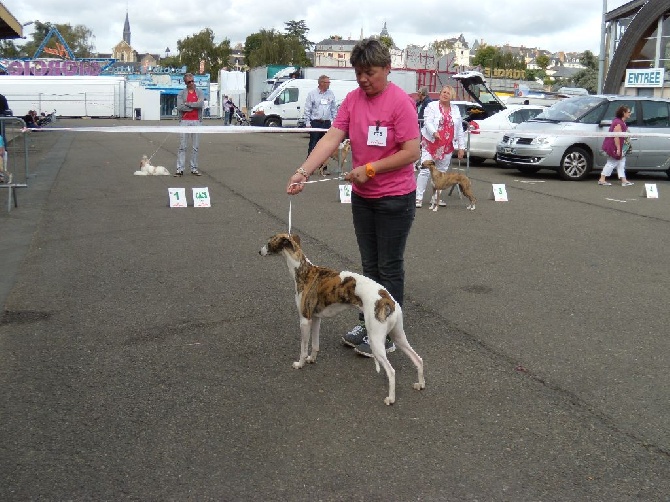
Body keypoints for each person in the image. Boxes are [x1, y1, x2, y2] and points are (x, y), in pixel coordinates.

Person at [286, 38, 420, 357]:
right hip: (363, 198)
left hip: (395, 199)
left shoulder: (400, 103)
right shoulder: (352, 100)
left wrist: (371, 168)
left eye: (369, 72)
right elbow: (332, 137)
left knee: (389, 266)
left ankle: (387, 332)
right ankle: (368, 321)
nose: (363, 79)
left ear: (387, 69)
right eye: (358, 72)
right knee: (369, 266)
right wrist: (303, 171)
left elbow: (412, 152)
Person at [415, 85, 465, 207]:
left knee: (441, 172)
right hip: (431, 143)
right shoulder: (432, 106)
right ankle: (418, 198)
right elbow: (427, 121)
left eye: (448, 93)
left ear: (451, 95)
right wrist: (434, 132)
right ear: (440, 93)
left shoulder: (456, 109)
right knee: (425, 170)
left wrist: (461, 147)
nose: (445, 94)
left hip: (447, 145)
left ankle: (435, 198)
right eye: (443, 92)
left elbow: (459, 129)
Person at [303, 75, 337, 175]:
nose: (329, 84)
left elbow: (333, 109)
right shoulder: (312, 94)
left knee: (325, 146)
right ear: (321, 83)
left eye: (329, 82)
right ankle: (309, 168)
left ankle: (323, 167)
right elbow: (307, 109)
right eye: (327, 82)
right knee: (313, 144)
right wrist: (308, 123)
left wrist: (334, 122)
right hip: (315, 122)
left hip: (326, 123)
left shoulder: (330, 94)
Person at [174, 73, 204, 176]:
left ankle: (194, 168)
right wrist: (193, 105)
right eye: (189, 82)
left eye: (192, 81)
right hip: (184, 121)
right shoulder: (181, 93)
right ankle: (180, 169)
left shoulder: (199, 92)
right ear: (185, 83)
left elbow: (200, 104)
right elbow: (180, 107)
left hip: (196, 121)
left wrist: (188, 103)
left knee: (195, 147)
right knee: (182, 146)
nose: (191, 83)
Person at [599, 105, 634, 186]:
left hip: (619, 146)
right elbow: (616, 136)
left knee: (621, 162)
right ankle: (602, 179)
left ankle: (624, 180)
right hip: (614, 146)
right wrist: (618, 149)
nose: (630, 114)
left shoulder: (620, 122)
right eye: (628, 112)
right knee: (612, 162)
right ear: (623, 113)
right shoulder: (618, 122)